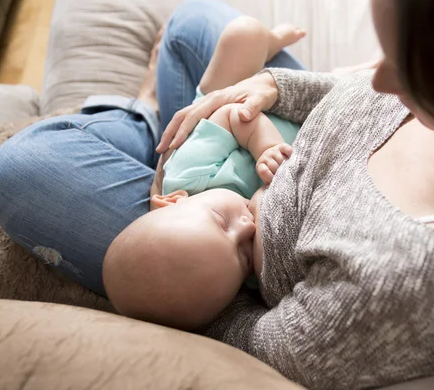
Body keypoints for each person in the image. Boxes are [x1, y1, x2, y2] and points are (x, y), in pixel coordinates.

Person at [0, 0, 434, 389]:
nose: (376, 76)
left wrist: (190, 252)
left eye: (410, 68)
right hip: (278, 140)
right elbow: (347, 89)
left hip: (223, 243)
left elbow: (264, 347)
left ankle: (139, 117)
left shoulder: (407, 291)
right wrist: (272, 88)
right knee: (196, 22)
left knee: (23, 165)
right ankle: (156, 122)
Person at [103, 17, 306, 330]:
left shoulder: (187, 176)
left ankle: (271, 42)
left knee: (243, 34)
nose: (247, 229)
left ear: (173, 199)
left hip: (228, 105)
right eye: (242, 256)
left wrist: (266, 148)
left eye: (222, 221)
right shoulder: (240, 273)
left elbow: (233, 117)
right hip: (302, 120)